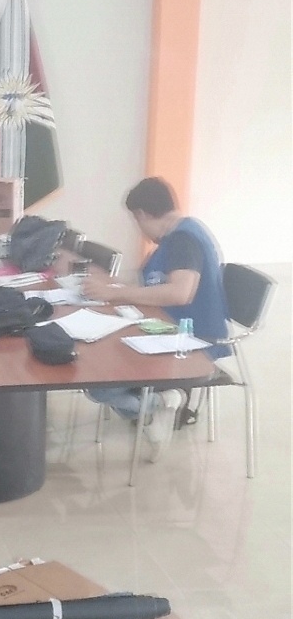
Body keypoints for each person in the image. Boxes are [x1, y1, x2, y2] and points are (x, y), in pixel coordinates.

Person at [82, 177, 230, 450]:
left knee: (99, 384)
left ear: (141, 214)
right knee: (102, 364)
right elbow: (153, 286)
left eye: (135, 221)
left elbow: (179, 293)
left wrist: (116, 294)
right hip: (168, 329)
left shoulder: (183, 240)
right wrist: (113, 287)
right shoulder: (177, 235)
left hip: (191, 341)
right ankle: (159, 404)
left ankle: (161, 403)